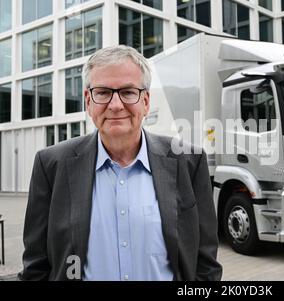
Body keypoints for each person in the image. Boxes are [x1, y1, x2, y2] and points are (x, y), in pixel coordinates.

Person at [18, 45, 222, 281]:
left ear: (145, 101)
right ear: (88, 101)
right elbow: (36, 267)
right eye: (103, 92)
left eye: (127, 92)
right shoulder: (51, 165)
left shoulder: (189, 163)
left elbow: (206, 263)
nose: (115, 105)